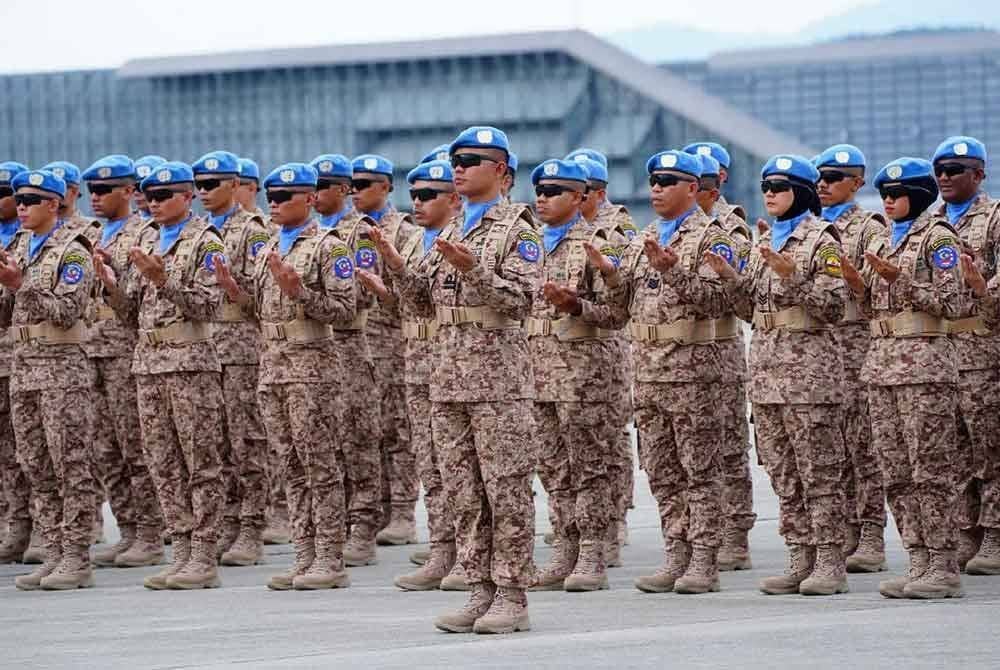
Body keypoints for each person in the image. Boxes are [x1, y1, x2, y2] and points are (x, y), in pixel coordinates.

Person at [376, 126, 539, 634]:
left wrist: (474, 271)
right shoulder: (454, 228)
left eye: (472, 159)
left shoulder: (518, 227)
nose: (460, 167)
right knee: (463, 493)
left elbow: (521, 301)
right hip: (446, 380)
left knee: (505, 490)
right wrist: (398, 268)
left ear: (503, 172)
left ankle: (512, 596)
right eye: (456, 160)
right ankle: (478, 590)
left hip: (498, 383)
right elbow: (423, 302)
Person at [704, 154, 849, 596]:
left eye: (779, 188)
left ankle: (829, 562)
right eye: (766, 187)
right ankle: (800, 556)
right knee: (785, 474)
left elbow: (832, 307)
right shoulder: (764, 242)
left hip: (809, 378)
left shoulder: (821, 240)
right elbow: (753, 310)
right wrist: (732, 279)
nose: (769, 195)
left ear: (802, 193)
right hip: (767, 376)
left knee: (819, 472)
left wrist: (791, 278)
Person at [598, 150, 733, 595]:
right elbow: (621, 310)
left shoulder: (712, 238)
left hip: (693, 374)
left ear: (693, 189)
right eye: (653, 180)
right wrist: (610, 279)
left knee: (700, 471)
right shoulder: (645, 237)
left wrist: (673, 272)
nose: (656, 188)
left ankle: (703, 560)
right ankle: (675, 552)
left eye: (668, 181)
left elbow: (722, 302)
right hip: (649, 374)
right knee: (663, 473)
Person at [221, 162, 358, 590]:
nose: (274, 204)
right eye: (271, 197)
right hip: (274, 368)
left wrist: (299, 291)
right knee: (292, 466)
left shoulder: (328, 247)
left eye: (284, 198)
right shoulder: (269, 249)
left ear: (310, 199)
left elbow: (346, 310)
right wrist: (235, 293)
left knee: (320, 465)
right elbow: (258, 312)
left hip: (311, 369)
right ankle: (304, 555)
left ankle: (330, 559)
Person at [97, 161, 227, 590]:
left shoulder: (206, 241)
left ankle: (204, 554)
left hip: (190, 362)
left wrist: (163, 278)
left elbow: (210, 307)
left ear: (187, 198)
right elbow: (130, 312)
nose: (154, 204)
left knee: (200, 462)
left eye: (164, 196)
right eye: (149, 197)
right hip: (148, 364)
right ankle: (182, 549)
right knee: (162, 462)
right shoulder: (145, 239)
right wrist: (112, 286)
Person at [841, 157, 966, 598]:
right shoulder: (885, 241)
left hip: (925, 370)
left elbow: (954, 304)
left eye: (896, 195)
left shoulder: (937, 239)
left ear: (916, 197)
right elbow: (876, 309)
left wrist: (903, 281)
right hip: (882, 369)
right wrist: (861, 286)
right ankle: (917, 560)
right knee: (896, 472)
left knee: (930, 471)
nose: (889, 201)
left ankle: (944, 566)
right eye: (886, 195)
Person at [524, 158, 626, 592]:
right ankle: (565, 549)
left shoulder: (599, 242)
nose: (542, 199)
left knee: (589, 467)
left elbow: (619, 312)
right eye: (540, 191)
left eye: (554, 192)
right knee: (553, 468)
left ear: (580, 198)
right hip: (537, 373)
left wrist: (577, 306)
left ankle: (592, 554)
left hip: (584, 374)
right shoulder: (528, 243)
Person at [359, 159, 461, 591]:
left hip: (459, 363)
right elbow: (411, 306)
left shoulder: (463, 240)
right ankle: (443, 550)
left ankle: (470, 556)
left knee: (461, 468)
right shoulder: (419, 242)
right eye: (414, 195)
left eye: (427, 195)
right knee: (431, 463)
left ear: (452, 198)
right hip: (419, 364)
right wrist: (391, 284)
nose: (417, 203)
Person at [1, 169, 97, 590]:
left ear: (53, 205)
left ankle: (77, 558)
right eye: (18, 199)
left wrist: (21, 285)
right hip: (24, 370)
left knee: (69, 465)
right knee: (36, 466)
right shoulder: (19, 246)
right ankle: (54, 551)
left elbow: (67, 311)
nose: (21, 207)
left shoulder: (73, 251)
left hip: (61, 370)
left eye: (31, 200)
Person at [81, 155, 166, 569]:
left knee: (136, 447)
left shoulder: (145, 234)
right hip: (90, 351)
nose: (95, 198)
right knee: (105, 448)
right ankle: (129, 529)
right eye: (91, 190)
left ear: (129, 192)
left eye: (104, 190)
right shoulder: (89, 235)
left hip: (124, 351)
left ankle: (151, 533)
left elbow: (134, 300)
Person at [192, 150, 271, 566]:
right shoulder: (197, 232)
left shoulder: (252, 231)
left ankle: (251, 526)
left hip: (241, 345)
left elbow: (266, 294)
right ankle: (223, 520)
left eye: (212, 185)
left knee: (247, 441)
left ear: (236, 186)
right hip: (205, 347)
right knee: (213, 442)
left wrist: (234, 289)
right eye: (198, 185)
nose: (203, 192)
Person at [813, 144, 889, 573]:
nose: (824, 185)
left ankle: (871, 534)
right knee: (829, 447)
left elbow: (877, 289)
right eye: (820, 178)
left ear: (857, 183)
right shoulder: (809, 228)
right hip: (818, 355)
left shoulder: (868, 228)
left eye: (834, 178)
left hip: (855, 346)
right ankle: (839, 531)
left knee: (863, 446)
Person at [930, 136, 1000, 574]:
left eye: (955, 170)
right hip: (941, 352)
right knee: (951, 450)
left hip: (983, 348)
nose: (945, 177)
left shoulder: (994, 218)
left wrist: (982, 288)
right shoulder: (930, 222)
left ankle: (994, 533)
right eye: (939, 170)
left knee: (989, 447)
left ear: (979, 174)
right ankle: (963, 530)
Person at [311, 153, 384, 567]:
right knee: (322, 443)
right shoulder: (300, 233)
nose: (315, 195)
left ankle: (362, 527)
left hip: (348, 346)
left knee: (357, 440)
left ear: (344, 191)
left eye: (324, 187)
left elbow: (361, 294)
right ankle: (329, 527)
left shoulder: (360, 233)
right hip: (310, 352)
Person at [350, 154, 419, 548]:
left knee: (397, 430)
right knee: (364, 431)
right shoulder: (346, 231)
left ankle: (403, 512)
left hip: (393, 344)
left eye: (364, 185)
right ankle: (371, 508)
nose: (355, 192)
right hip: (356, 347)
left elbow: (413, 294)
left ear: (385, 187)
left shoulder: (404, 232)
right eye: (352, 185)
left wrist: (386, 295)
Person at [692, 151, 756, 571]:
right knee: (700, 452)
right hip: (689, 357)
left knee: (730, 447)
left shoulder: (730, 227)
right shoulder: (671, 229)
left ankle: (735, 531)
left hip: (723, 349)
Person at [571, 152, 636, 565]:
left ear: (599, 192)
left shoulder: (617, 229)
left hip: (606, 346)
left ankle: (614, 520)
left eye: (583, 193)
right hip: (571, 351)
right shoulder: (565, 231)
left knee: (609, 438)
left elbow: (621, 290)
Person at [0, 161, 33, 564]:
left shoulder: (34, 244)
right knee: (10, 453)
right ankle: (15, 524)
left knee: (36, 452)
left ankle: (45, 531)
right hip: (16, 359)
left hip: (29, 358)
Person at [132, 156, 167, 221]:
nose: (136, 193)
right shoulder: (124, 225)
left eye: (141, 188)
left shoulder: (181, 222)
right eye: (132, 188)